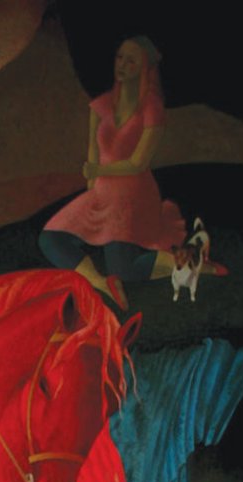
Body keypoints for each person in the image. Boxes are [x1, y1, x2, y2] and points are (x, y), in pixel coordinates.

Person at [39, 34, 186, 305]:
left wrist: (97, 171)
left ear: (144, 68)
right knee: (50, 239)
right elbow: (93, 150)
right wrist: (91, 189)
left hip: (133, 193)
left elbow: (138, 163)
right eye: (120, 57)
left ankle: (182, 260)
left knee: (125, 268)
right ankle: (98, 282)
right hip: (102, 192)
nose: (122, 64)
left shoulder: (151, 108)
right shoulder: (101, 105)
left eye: (131, 61)